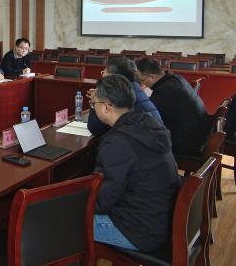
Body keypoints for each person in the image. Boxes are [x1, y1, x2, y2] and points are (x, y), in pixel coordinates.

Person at [91, 75, 180, 252]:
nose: (93, 107)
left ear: (107, 107)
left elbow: (102, 201)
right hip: (160, 218)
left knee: (63, 220)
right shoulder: (148, 122)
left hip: (138, 231)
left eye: (94, 104)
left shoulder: (117, 142)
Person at [136, 58, 209, 156]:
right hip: (200, 135)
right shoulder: (176, 78)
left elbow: (148, 115)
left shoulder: (165, 90)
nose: (142, 84)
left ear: (152, 77)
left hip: (188, 144)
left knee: (138, 137)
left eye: (142, 80)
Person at [86, 57, 162, 137]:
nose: (102, 76)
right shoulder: (134, 87)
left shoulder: (119, 93)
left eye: (103, 73)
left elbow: (96, 129)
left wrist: (95, 100)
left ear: (112, 76)